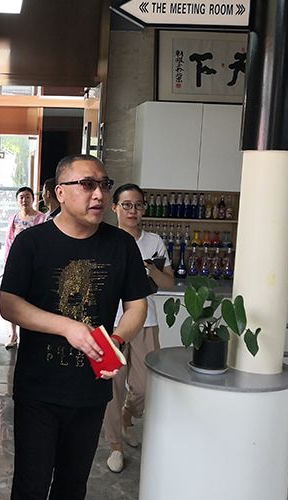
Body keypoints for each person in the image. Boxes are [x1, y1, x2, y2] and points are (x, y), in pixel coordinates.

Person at [0, 154, 151, 500]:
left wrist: (115, 340)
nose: (99, 194)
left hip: (90, 390)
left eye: (104, 185)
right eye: (87, 184)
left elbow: (137, 306)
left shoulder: (121, 245)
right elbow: (9, 303)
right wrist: (67, 327)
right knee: (31, 485)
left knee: (72, 485)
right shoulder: (32, 242)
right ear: (60, 192)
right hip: (38, 389)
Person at [102, 183, 175, 473]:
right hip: (110, 323)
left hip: (147, 321)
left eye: (138, 205)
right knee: (111, 387)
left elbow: (168, 282)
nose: (133, 210)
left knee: (144, 386)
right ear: (114, 208)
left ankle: (128, 415)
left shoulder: (153, 242)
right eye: (127, 205)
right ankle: (115, 445)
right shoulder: (104, 239)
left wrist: (151, 270)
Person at [4, 186, 47, 348]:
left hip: (35, 264)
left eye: (27, 197)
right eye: (21, 197)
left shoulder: (41, 218)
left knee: (31, 300)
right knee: (13, 298)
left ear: (33, 199)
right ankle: (13, 334)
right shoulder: (13, 218)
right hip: (16, 263)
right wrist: (7, 265)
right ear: (17, 200)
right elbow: (8, 242)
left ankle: (30, 335)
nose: (24, 200)